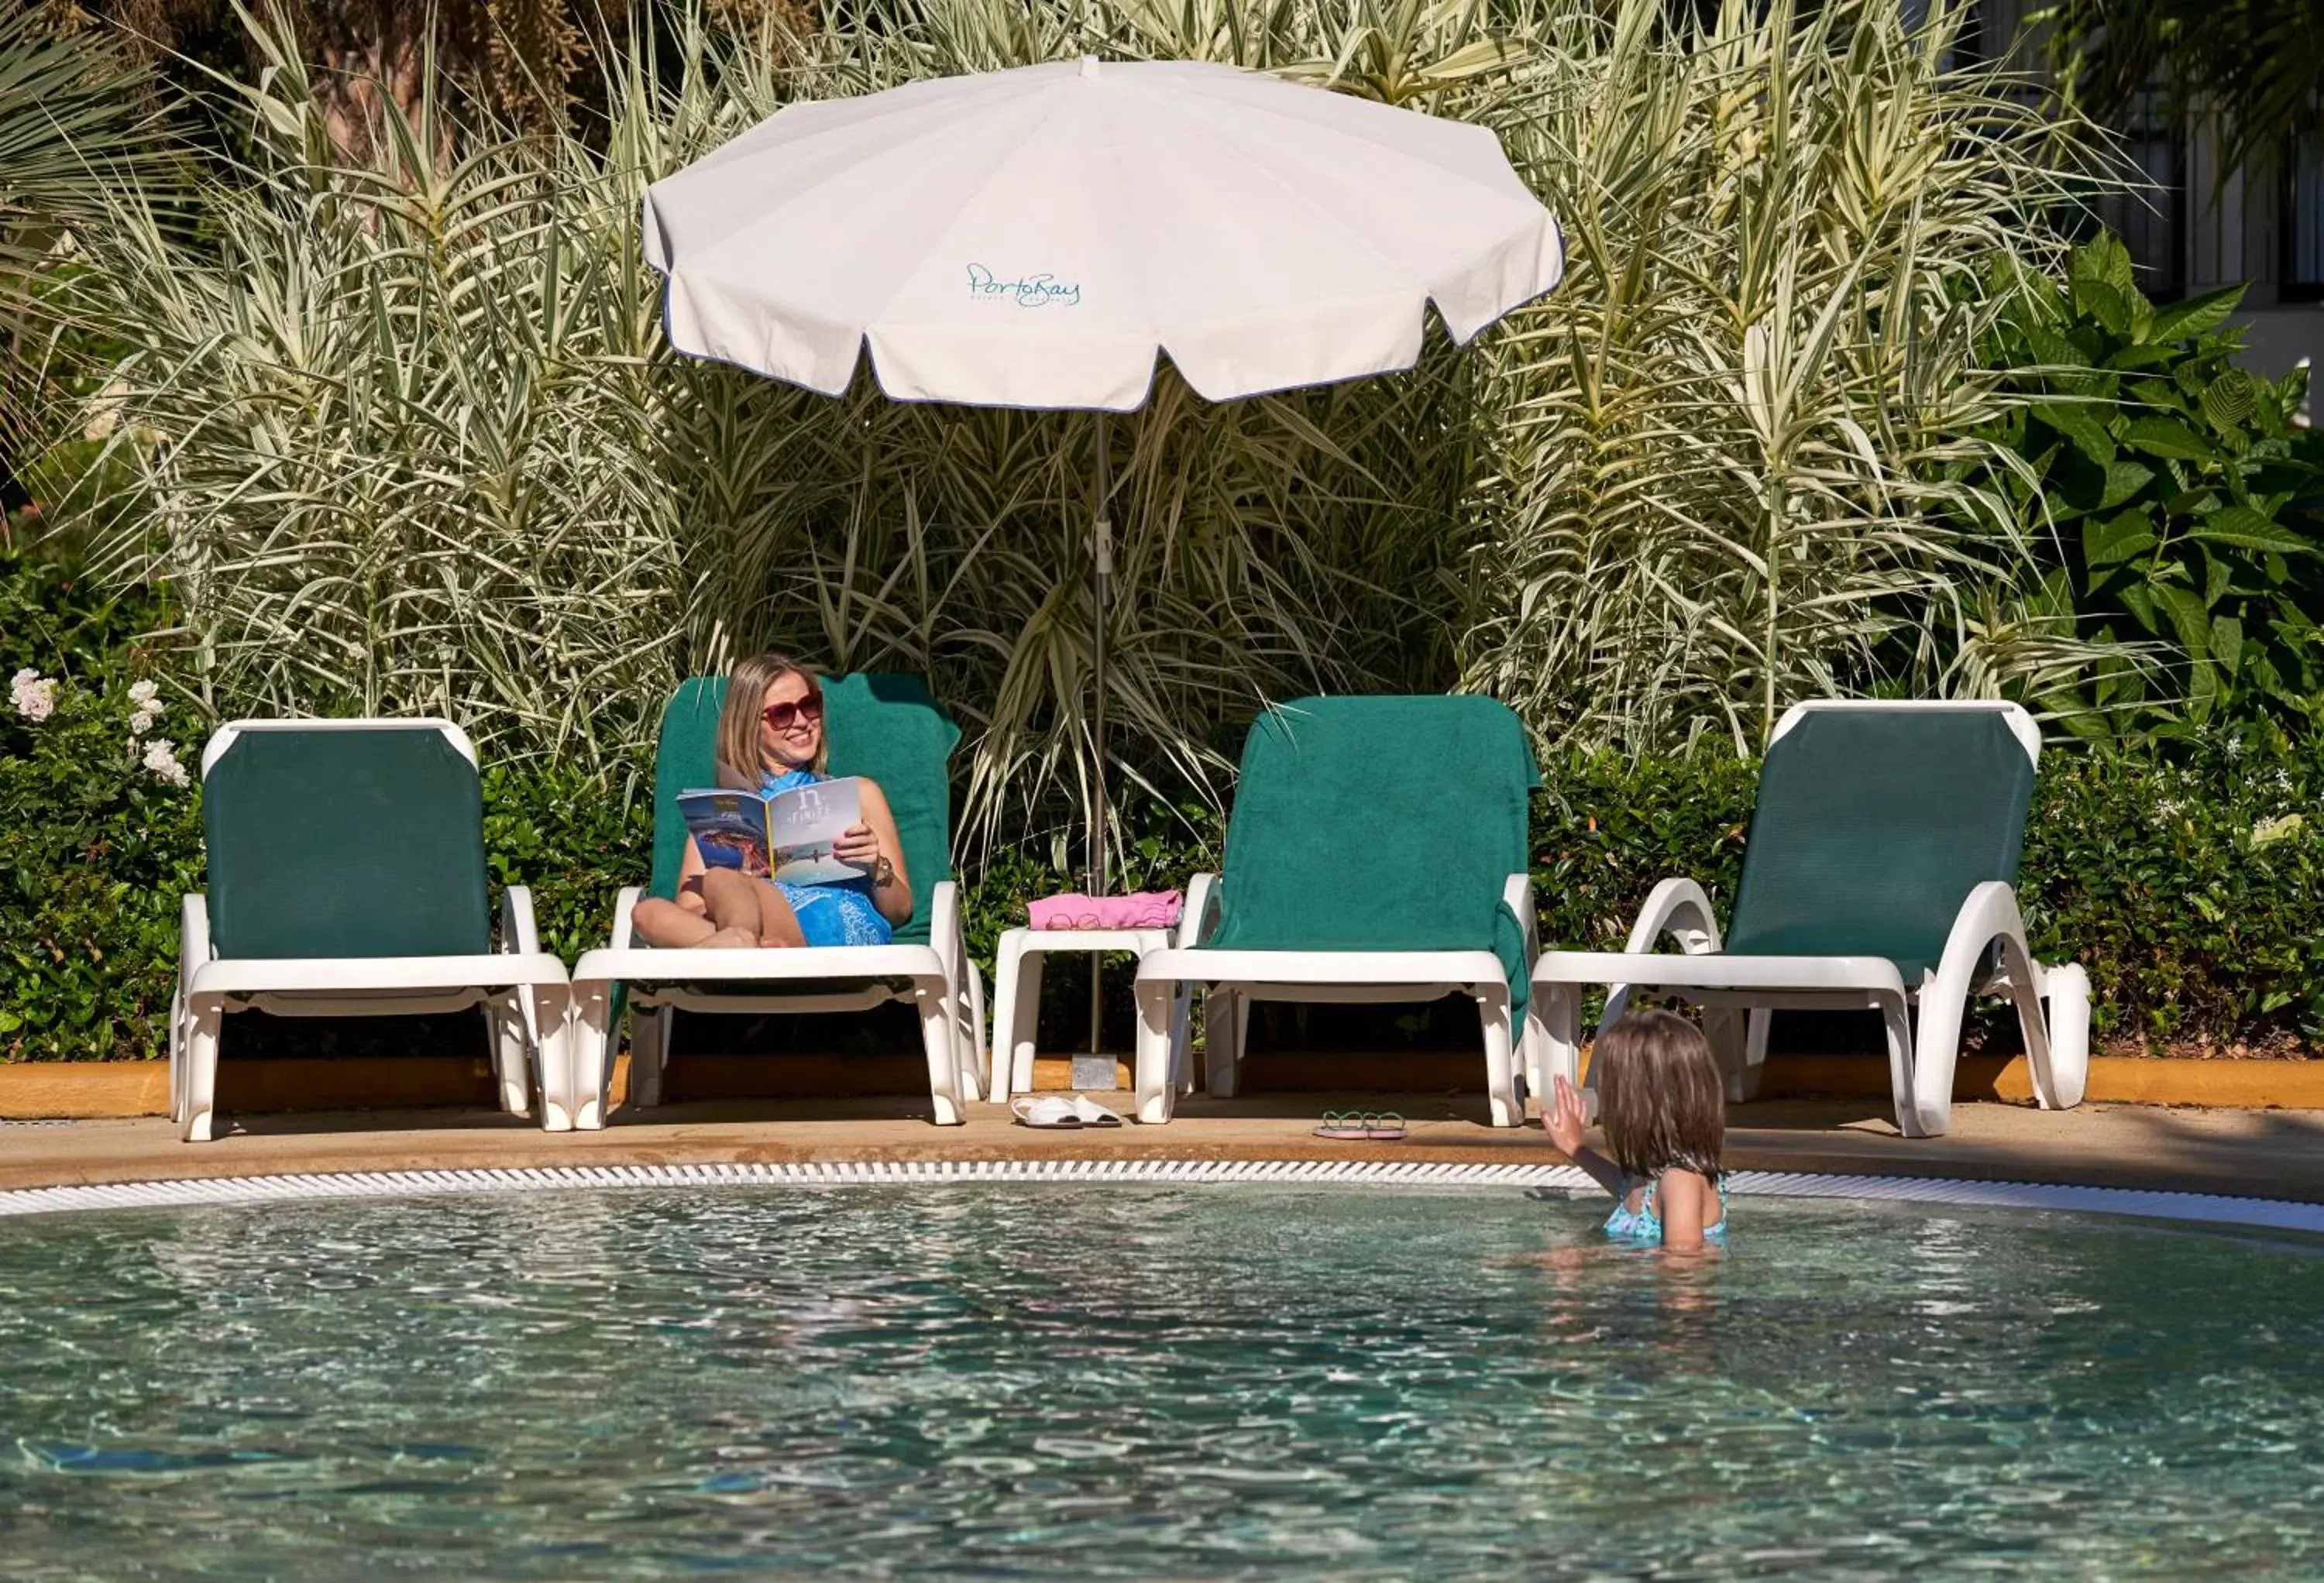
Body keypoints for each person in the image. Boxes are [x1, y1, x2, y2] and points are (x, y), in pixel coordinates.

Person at [631, 654, 912, 949]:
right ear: (750, 725)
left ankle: (741, 948)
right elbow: (687, 912)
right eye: (782, 714)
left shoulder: (859, 793)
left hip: (832, 925)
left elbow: (900, 912)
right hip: (765, 931)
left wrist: (876, 866)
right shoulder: (723, 813)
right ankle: (750, 946)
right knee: (647, 913)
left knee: (718, 879)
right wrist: (741, 888)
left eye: (809, 705)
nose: (803, 722)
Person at [1543, 1009, 1728, 1252]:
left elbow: (1683, 1274)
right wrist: (1575, 1149)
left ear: (1636, 1103)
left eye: (1609, 1088)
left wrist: (1590, 1263)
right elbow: (1630, 1191)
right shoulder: (1657, 1175)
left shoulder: (1682, 1181)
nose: (1602, 1095)